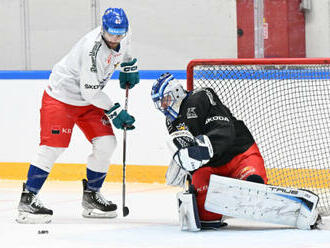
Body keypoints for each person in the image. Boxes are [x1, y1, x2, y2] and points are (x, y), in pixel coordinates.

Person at [16, 8, 140, 224]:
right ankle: (28, 199)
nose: (116, 39)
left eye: (120, 34)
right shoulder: (91, 50)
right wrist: (116, 111)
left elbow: (125, 51)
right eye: (111, 34)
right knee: (53, 147)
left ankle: (92, 195)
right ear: (103, 29)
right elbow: (90, 92)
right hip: (62, 97)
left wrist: (128, 66)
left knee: (107, 143)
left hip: (88, 101)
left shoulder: (124, 35)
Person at [151, 73, 268, 230]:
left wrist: (202, 149)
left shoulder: (200, 97)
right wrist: (182, 163)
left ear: (176, 92)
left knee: (254, 186)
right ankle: (216, 204)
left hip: (239, 154)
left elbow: (224, 128)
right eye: (160, 104)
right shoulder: (171, 122)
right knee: (204, 215)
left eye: (165, 101)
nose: (164, 107)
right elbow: (184, 148)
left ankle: (245, 185)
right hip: (210, 167)